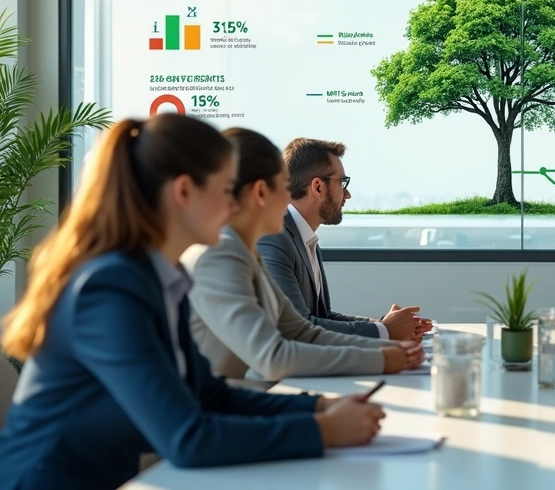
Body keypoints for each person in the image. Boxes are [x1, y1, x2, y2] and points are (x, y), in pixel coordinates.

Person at [0, 115, 385, 490]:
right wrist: (322, 431)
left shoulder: (158, 277)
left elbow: (210, 395)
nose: (232, 205)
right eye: (225, 190)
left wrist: (318, 407)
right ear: (184, 192)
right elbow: (187, 439)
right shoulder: (110, 288)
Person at [182, 128, 425, 382]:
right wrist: (383, 357)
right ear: (261, 192)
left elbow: (301, 331)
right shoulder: (220, 255)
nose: (290, 198)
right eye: (284, 187)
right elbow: (274, 357)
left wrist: (392, 349)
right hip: (239, 406)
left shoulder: (245, 251)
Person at [257, 137, 430, 340]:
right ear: (318, 187)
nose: (347, 195)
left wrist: (385, 325)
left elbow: (323, 317)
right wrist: (384, 331)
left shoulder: (304, 238)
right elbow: (297, 327)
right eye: (342, 183)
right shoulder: (274, 239)